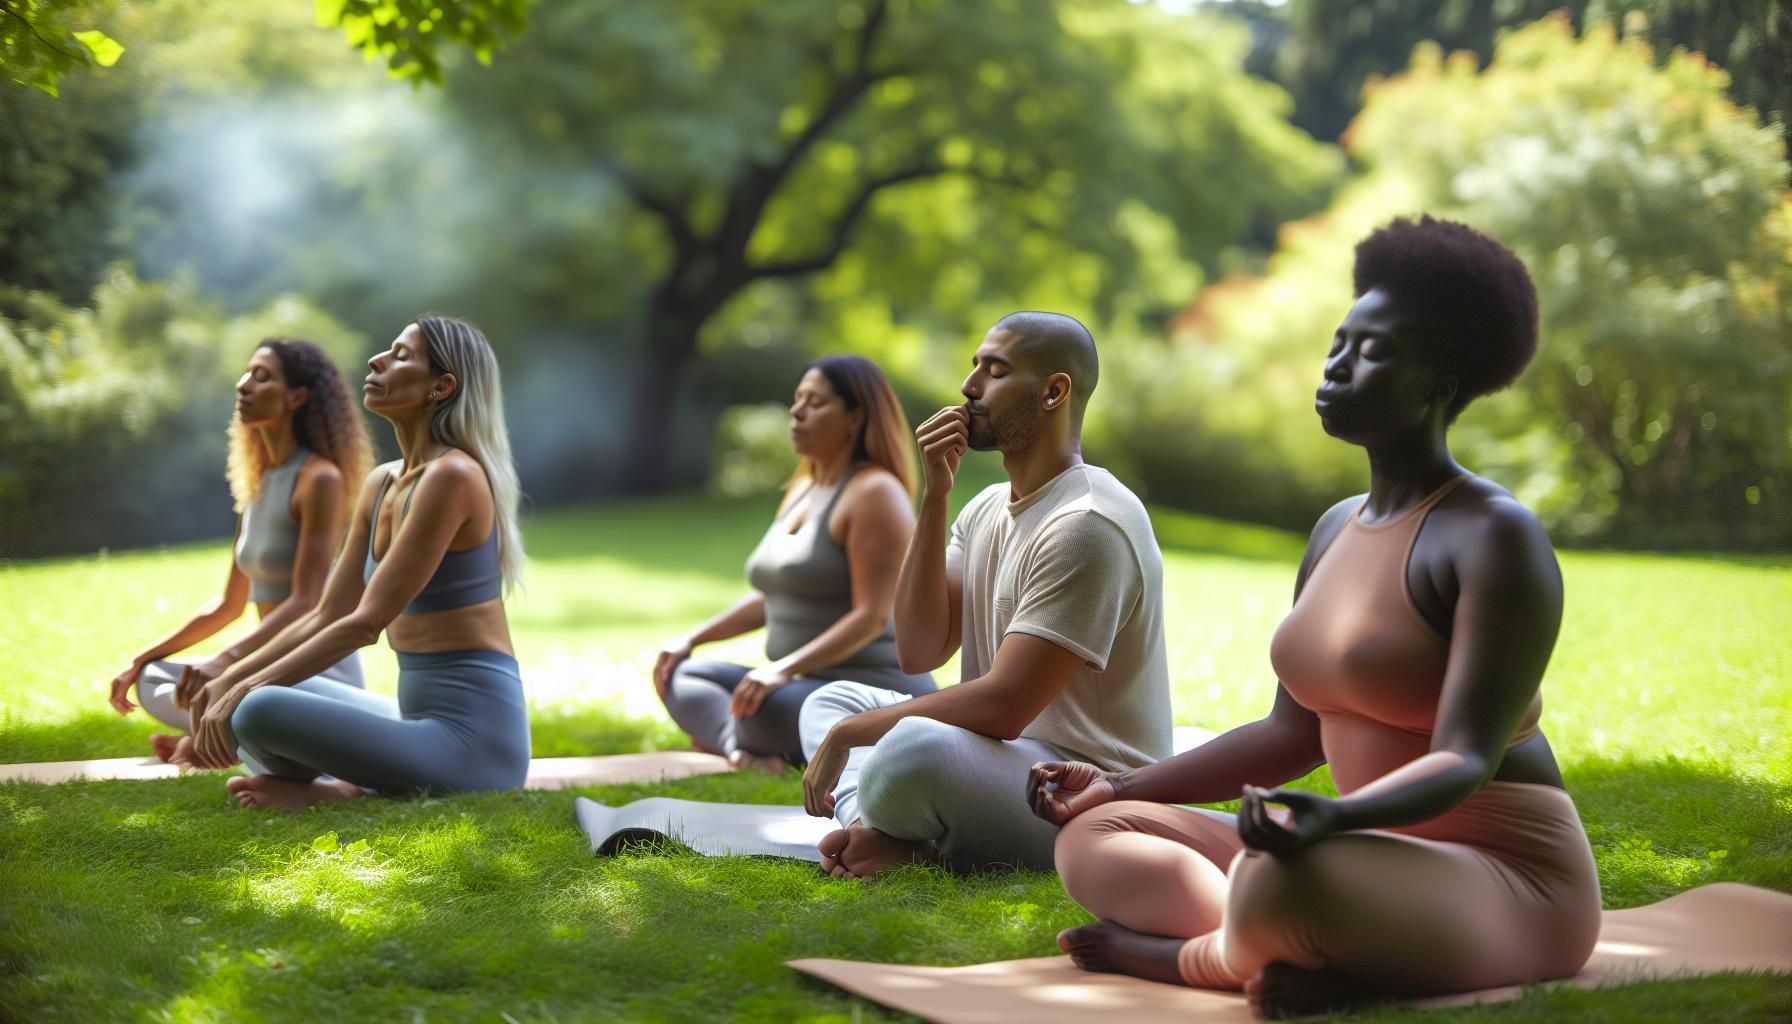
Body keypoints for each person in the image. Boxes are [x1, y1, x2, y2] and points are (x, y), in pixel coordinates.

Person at [1035, 217, 1598, 1020]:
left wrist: (1338, 815)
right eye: (1341, 340)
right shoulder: (1337, 527)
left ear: (1439, 382)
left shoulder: (1493, 536)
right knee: (1096, 837)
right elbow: (1290, 735)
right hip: (1361, 852)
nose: (1338, 363)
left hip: (1505, 876)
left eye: (1374, 351)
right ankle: (1296, 952)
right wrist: (1116, 784)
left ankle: (1195, 957)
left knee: (1278, 877)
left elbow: (1466, 758)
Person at [799, 311, 1173, 877]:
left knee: (906, 748)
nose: (969, 388)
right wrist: (934, 498)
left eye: (995, 372)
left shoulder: (1088, 521)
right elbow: (919, 651)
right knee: (830, 704)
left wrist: (851, 739)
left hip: (1078, 788)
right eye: (975, 367)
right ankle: (874, 834)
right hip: (998, 757)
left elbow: (1004, 706)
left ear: (1053, 392)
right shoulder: (984, 508)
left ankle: (885, 831)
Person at [181, 316, 532, 812]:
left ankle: (339, 791)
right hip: (417, 722)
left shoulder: (452, 476)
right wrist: (228, 677)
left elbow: (366, 623)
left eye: (402, 355)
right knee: (255, 694)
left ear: (442, 386)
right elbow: (326, 612)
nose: (377, 360)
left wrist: (242, 687)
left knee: (256, 705)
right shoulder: (384, 481)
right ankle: (345, 788)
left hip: (474, 747)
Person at [654, 356, 936, 773]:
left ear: (855, 417)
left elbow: (872, 617)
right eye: (797, 399)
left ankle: (751, 745)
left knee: (756, 706)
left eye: (816, 402)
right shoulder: (804, 487)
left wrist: (781, 671)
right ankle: (748, 750)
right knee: (683, 675)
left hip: (865, 692)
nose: (797, 411)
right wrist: (691, 639)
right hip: (800, 683)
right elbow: (773, 596)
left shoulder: (875, 493)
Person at [105, 338, 372, 765]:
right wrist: (143, 657)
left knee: (235, 693)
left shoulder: (319, 478)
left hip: (310, 669)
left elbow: (307, 600)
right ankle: (236, 737)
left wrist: (226, 665)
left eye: (262, 376)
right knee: (155, 679)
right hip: (257, 668)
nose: (244, 384)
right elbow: (229, 604)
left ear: (296, 397)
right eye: (247, 373)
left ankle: (230, 738)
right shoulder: (261, 487)